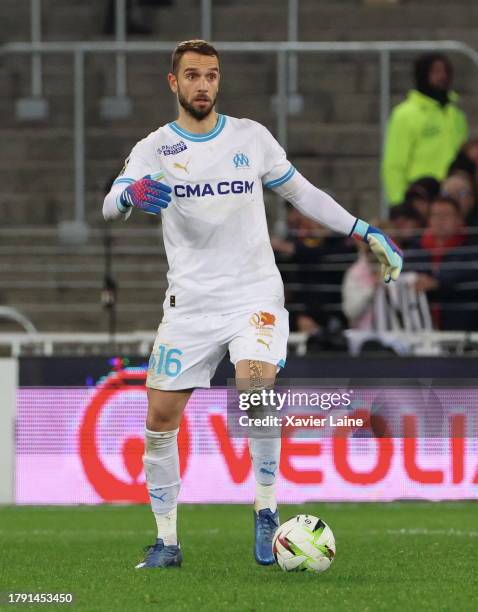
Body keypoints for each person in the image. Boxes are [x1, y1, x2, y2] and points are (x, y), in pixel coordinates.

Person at [103, 39, 403, 569]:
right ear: (174, 83)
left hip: (253, 292)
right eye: (192, 75)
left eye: (211, 76)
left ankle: (266, 510)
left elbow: (302, 193)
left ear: (219, 82)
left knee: (255, 387)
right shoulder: (155, 147)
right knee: (159, 418)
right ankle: (167, 542)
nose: (203, 85)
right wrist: (128, 196)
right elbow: (112, 201)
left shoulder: (252, 137)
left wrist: (364, 229)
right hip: (191, 303)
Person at [382, 53, 468, 206]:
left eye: (445, 72)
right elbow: (394, 164)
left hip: (452, 196)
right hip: (420, 195)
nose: (442, 76)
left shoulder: (456, 115)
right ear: (423, 74)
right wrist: (399, 203)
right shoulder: (405, 114)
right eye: (436, 71)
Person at [409, 196, 478, 330]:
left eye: (446, 215)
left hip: (463, 327)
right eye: (435, 215)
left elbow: (469, 273)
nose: (440, 220)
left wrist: (436, 282)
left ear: (459, 220)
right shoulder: (417, 248)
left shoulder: (470, 248)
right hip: (421, 327)